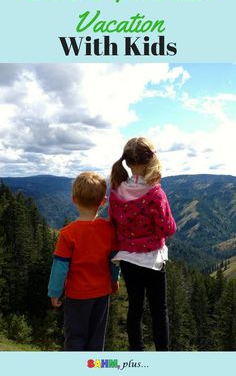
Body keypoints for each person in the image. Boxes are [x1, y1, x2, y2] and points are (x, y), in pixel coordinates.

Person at [109, 137, 176, 351]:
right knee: (159, 310)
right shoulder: (155, 192)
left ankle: (136, 353)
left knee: (135, 308)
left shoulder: (117, 191)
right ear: (150, 161)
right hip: (152, 259)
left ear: (127, 163)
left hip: (128, 259)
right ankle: (163, 356)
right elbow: (168, 228)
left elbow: (113, 224)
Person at [48, 171, 119, 351]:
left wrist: (54, 292)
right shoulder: (108, 229)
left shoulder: (68, 233)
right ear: (103, 201)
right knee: (96, 339)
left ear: (74, 199)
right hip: (102, 293)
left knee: (76, 338)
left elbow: (60, 266)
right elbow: (114, 259)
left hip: (77, 295)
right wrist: (114, 280)